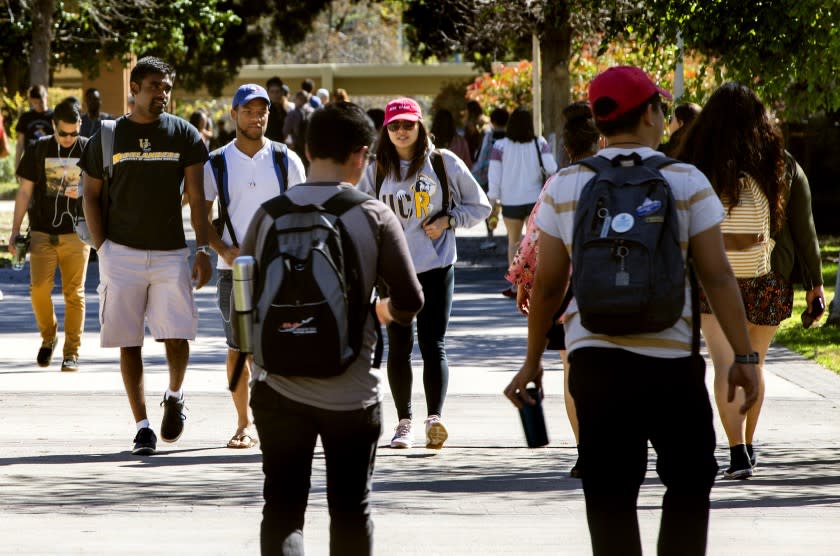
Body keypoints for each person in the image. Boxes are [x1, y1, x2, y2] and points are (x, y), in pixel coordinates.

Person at [504, 66, 760, 555]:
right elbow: (718, 275)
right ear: (651, 113)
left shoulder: (567, 184)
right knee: (689, 483)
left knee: (609, 497)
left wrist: (533, 359)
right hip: (670, 366)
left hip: (596, 363)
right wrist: (744, 359)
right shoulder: (685, 179)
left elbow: (549, 284)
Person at [243, 101, 424, 555]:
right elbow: (410, 301)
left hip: (277, 388)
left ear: (306, 149)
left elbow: (241, 301)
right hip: (352, 392)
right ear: (361, 155)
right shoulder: (373, 215)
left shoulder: (268, 214)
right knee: (350, 509)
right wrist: (380, 313)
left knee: (283, 510)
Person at [676, 82, 824, 479]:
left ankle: (736, 448)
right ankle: (749, 444)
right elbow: (803, 227)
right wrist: (815, 283)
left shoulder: (696, 162)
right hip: (768, 275)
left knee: (724, 361)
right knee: (754, 362)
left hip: (711, 277)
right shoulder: (782, 162)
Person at [78, 56, 212, 456]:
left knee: (177, 335)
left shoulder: (184, 135)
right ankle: (142, 428)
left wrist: (202, 249)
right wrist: (103, 248)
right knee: (128, 340)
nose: (162, 93)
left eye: (167, 87)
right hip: (121, 254)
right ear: (133, 89)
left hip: (171, 252)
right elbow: (90, 194)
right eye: (154, 86)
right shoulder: (108, 136)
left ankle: (174, 395)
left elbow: (198, 199)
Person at [358, 97, 491, 450]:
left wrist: (450, 219)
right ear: (386, 131)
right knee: (399, 347)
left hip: (436, 265)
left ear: (420, 126)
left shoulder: (442, 162)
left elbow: (480, 205)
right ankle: (404, 423)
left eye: (408, 125)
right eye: (395, 126)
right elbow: (359, 211)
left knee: (434, 344)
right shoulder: (376, 168)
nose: (402, 131)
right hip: (393, 271)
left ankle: (435, 419)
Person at [204, 84, 306, 449]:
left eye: (262, 110)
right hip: (233, 269)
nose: (256, 117)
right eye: (248, 110)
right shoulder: (216, 162)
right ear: (234, 115)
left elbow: (303, 214)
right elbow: (201, 216)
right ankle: (243, 424)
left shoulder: (285, 159)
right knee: (238, 347)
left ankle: (283, 420)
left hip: (279, 268)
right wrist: (219, 250)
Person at [505, 101, 600, 478]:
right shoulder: (619, 177)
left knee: (570, 369)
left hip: (564, 288)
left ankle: (585, 450)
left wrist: (525, 284)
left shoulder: (557, 183)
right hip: (614, 287)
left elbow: (533, 241)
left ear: (566, 147)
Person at [9, 98, 91, 371]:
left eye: (73, 132)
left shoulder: (89, 149)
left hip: (77, 233)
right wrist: (14, 231)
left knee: (74, 294)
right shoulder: (38, 148)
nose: (68, 138)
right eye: (62, 133)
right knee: (39, 290)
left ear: (80, 125)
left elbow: (102, 194)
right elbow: (24, 192)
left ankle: (72, 353)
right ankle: (49, 337)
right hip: (43, 232)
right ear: (53, 126)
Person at [489, 107, 558, 293]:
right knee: (533, 243)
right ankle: (533, 283)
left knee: (513, 242)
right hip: (535, 201)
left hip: (510, 201)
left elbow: (494, 176)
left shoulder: (499, 146)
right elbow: (552, 168)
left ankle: (516, 284)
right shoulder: (539, 143)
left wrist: (492, 201)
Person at [471, 107, 509, 250]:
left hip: (488, 175)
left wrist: (477, 170)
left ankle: (490, 236)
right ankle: (509, 235)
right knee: (507, 206)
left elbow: (482, 155)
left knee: (490, 206)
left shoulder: (489, 135)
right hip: (507, 174)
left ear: (492, 121)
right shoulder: (511, 136)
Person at [15, 85, 54, 169]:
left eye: (41, 102)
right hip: (30, 161)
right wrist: (17, 165)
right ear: (31, 101)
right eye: (35, 103)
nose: (38, 106)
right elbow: (20, 143)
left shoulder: (54, 116)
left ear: (46, 98)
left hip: (49, 161)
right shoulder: (25, 117)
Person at [283, 91, 314, 166]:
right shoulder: (313, 112)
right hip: (312, 148)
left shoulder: (293, 114)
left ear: (297, 99)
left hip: (297, 148)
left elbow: (285, 131)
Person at [265, 77, 292, 142]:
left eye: (277, 92)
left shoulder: (286, 108)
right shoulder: (265, 110)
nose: (275, 95)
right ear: (268, 93)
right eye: (272, 92)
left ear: (282, 92)